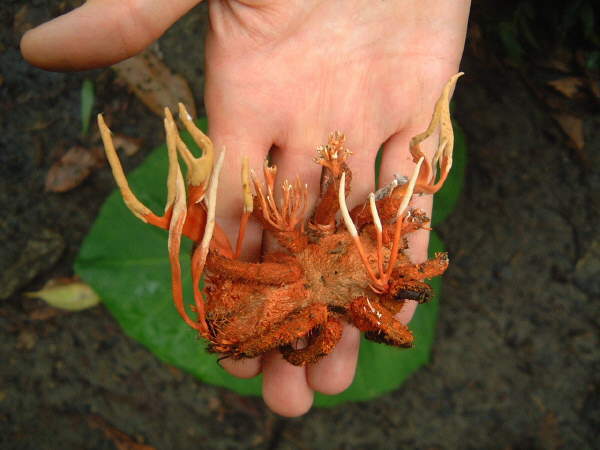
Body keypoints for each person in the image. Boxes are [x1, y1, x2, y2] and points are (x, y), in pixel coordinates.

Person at [21, 0, 471, 417]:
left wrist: (300, 345)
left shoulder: (331, 301)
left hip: (304, 280)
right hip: (298, 276)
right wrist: (330, 174)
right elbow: (324, 214)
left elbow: (323, 255)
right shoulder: (321, 261)